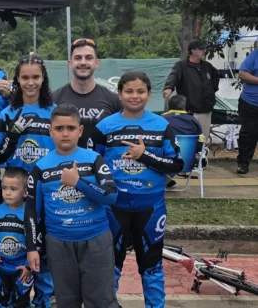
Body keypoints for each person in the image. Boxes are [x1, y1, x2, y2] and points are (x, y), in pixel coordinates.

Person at [93, 70, 184, 308]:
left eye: (140, 91)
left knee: (151, 264)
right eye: (129, 91)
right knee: (110, 264)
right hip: (115, 207)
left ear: (149, 94)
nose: (135, 96)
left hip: (151, 207)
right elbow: (92, 164)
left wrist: (144, 155)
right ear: (120, 93)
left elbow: (177, 164)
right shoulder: (104, 126)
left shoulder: (162, 125)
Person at [26, 104, 118, 308]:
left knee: (102, 301)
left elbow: (111, 195)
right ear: (50, 130)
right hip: (58, 243)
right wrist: (32, 248)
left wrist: (78, 182)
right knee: (66, 301)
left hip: (96, 239)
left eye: (71, 128)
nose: (65, 133)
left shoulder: (94, 159)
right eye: (59, 128)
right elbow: (32, 210)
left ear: (80, 130)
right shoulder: (40, 167)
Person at [0, 54, 55, 308]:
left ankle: (43, 301)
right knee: (19, 250)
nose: (30, 82)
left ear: (44, 78)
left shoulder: (54, 112)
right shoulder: (7, 113)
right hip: (16, 196)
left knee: (44, 253)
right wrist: (13, 133)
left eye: (36, 77)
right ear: (17, 80)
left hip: (45, 193)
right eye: (25, 77)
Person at [52, 38, 122, 149]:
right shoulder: (54, 99)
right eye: (78, 58)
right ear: (70, 63)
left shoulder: (113, 100)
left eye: (88, 58)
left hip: (102, 160)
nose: (83, 62)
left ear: (97, 62)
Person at [0, 167, 33, 308]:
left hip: (22, 268)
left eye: (13, 189)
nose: (7, 193)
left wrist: (28, 266)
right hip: (0, 266)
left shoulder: (30, 212)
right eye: (4, 188)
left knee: (21, 303)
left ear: (25, 192)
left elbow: (35, 241)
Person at [163, 39, 220, 144]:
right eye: (201, 49)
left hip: (206, 111)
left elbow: (216, 76)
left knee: (203, 141)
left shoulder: (207, 66)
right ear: (193, 51)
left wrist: (212, 90)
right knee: (187, 141)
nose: (204, 51)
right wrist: (169, 87)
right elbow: (174, 76)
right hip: (188, 112)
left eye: (205, 49)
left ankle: (202, 155)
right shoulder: (181, 66)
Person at [162, 95, 203, 189]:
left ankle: (163, 180)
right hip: (187, 162)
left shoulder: (160, 119)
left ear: (168, 107)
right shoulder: (193, 120)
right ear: (184, 107)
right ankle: (166, 181)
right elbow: (200, 142)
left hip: (164, 161)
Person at [235, 48, 258, 174]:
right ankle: (243, 163)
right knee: (249, 134)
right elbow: (242, 74)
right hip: (250, 103)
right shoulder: (254, 56)